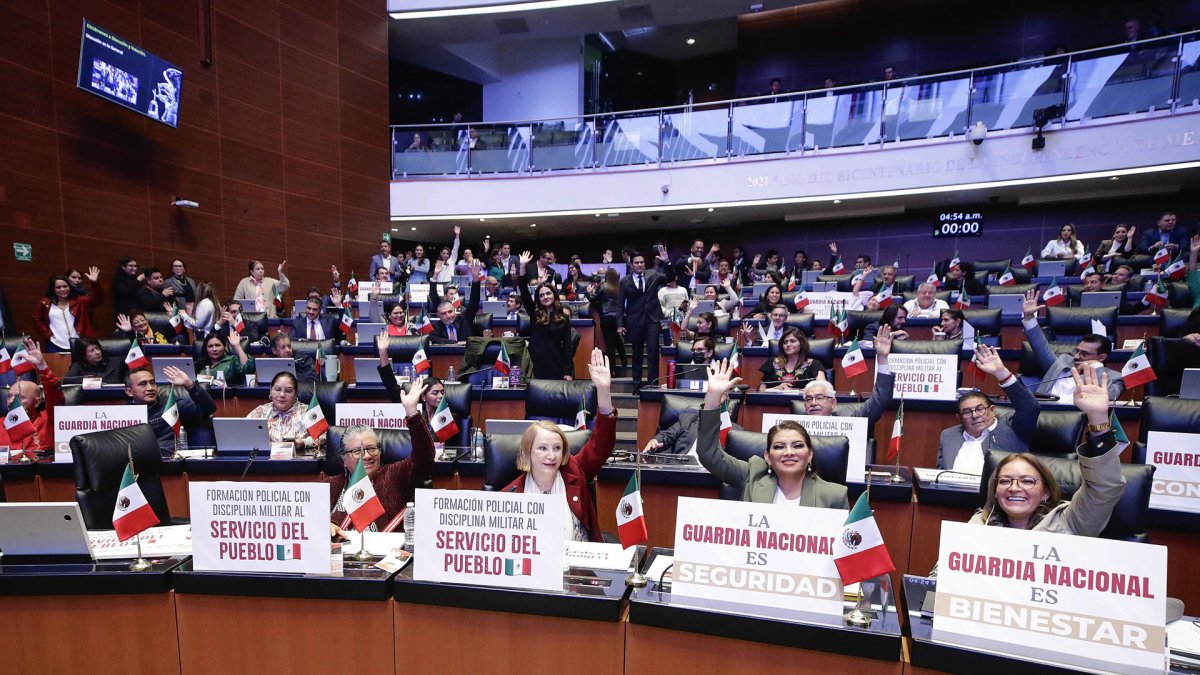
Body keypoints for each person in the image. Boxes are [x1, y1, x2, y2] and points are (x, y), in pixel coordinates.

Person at [971, 365, 1125, 535]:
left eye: (1027, 481)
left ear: (1046, 492)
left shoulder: (1071, 522)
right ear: (995, 490)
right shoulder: (980, 524)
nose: (1014, 488)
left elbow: (1105, 487)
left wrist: (1098, 418)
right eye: (1005, 481)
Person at [696, 359, 849, 507]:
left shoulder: (834, 496)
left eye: (797, 446)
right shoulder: (752, 476)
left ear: (810, 454)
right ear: (768, 457)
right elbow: (708, 454)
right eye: (779, 447)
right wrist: (713, 397)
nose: (789, 452)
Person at [501, 349, 616, 542]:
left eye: (557, 448)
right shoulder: (510, 495)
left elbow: (601, 444)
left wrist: (604, 392)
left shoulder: (574, 470)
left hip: (579, 564)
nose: (551, 456)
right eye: (542, 448)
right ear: (528, 452)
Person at [327, 380, 434, 535]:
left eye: (372, 449)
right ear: (344, 458)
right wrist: (325, 526)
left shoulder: (395, 474)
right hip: (341, 556)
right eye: (358, 451)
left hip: (384, 556)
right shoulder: (330, 486)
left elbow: (424, 457)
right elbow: (309, 519)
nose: (367, 456)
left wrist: (412, 413)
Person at [937, 345, 1039, 473]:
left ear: (992, 410)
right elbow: (940, 474)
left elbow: (1030, 407)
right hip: (955, 492)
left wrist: (1002, 374)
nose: (975, 415)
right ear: (960, 418)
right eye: (967, 412)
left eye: (980, 409)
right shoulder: (948, 435)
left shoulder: (1012, 428)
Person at [1020, 288, 1125, 400]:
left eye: (1084, 354)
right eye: (1077, 351)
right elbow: (1040, 346)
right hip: (1044, 411)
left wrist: (1095, 368)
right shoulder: (1062, 362)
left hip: (1079, 415)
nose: (1076, 356)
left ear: (1102, 357)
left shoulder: (1115, 377)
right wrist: (1029, 317)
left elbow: (1109, 397)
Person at [800, 325, 896, 426]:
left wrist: (882, 358)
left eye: (819, 398)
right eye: (809, 399)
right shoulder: (797, 427)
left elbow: (880, 400)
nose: (813, 403)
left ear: (833, 402)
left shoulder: (849, 417)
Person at [124, 365, 217, 455]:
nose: (150, 388)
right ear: (129, 392)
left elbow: (208, 409)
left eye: (152, 383)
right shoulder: (122, 414)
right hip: (134, 461)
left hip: (166, 459)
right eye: (142, 384)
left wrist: (190, 385)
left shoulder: (171, 405)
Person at [0, 338, 61, 458]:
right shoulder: (1, 423)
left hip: (42, 473)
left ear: (37, 402)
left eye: (19, 397)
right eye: (9, 396)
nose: (12, 401)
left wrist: (41, 365)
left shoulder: (48, 419)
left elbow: (54, 393)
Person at [618, 251, 668, 393]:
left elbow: (670, 277)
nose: (640, 265)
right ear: (631, 264)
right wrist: (620, 324)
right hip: (634, 320)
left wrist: (667, 262)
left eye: (642, 262)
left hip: (652, 319)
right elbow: (620, 304)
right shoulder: (625, 281)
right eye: (637, 262)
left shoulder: (653, 274)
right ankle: (637, 384)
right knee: (637, 353)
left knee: (652, 352)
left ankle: (652, 384)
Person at [519, 252, 575, 379]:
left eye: (548, 294)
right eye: (542, 295)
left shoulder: (563, 318)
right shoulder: (535, 313)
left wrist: (568, 372)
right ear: (538, 299)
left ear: (554, 295)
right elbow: (523, 290)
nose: (545, 297)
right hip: (535, 365)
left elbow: (567, 346)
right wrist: (523, 267)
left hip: (556, 364)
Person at [246, 371, 323, 452]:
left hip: (298, 461)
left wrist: (303, 443)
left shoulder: (308, 411)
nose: (282, 395)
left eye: (288, 391)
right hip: (265, 461)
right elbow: (243, 432)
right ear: (270, 390)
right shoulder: (261, 411)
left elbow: (324, 436)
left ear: (296, 394)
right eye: (277, 389)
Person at [32, 267, 104, 352]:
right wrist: (48, 334)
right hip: (55, 344)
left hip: (79, 344)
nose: (63, 289)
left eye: (65, 286)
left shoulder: (79, 301)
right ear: (53, 289)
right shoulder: (45, 303)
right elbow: (36, 319)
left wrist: (95, 283)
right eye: (58, 287)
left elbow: (98, 299)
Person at [428, 267, 481, 345]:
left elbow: (474, 301)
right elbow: (433, 339)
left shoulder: (464, 319)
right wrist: (456, 343)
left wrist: (475, 279)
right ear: (439, 316)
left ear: (454, 311)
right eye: (443, 313)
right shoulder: (436, 326)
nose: (448, 316)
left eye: (450, 312)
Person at [759, 328, 823, 391]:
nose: (788, 345)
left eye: (792, 341)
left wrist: (802, 390)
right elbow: (761, 390)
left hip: (802, 400)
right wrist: (776, 388)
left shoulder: (814, 364)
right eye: (785, 342)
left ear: (801, 344)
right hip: (774, 400)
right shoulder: (772, 362)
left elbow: (823, 387)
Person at [589, 268, 626, 375]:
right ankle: (624, 361)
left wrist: (589, 292)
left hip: (606, 317)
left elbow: (593, 299)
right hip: (618, 317)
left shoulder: (604, 286)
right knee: (617, 340)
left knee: (610, 343)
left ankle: (612, 369)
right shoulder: (619, 287)